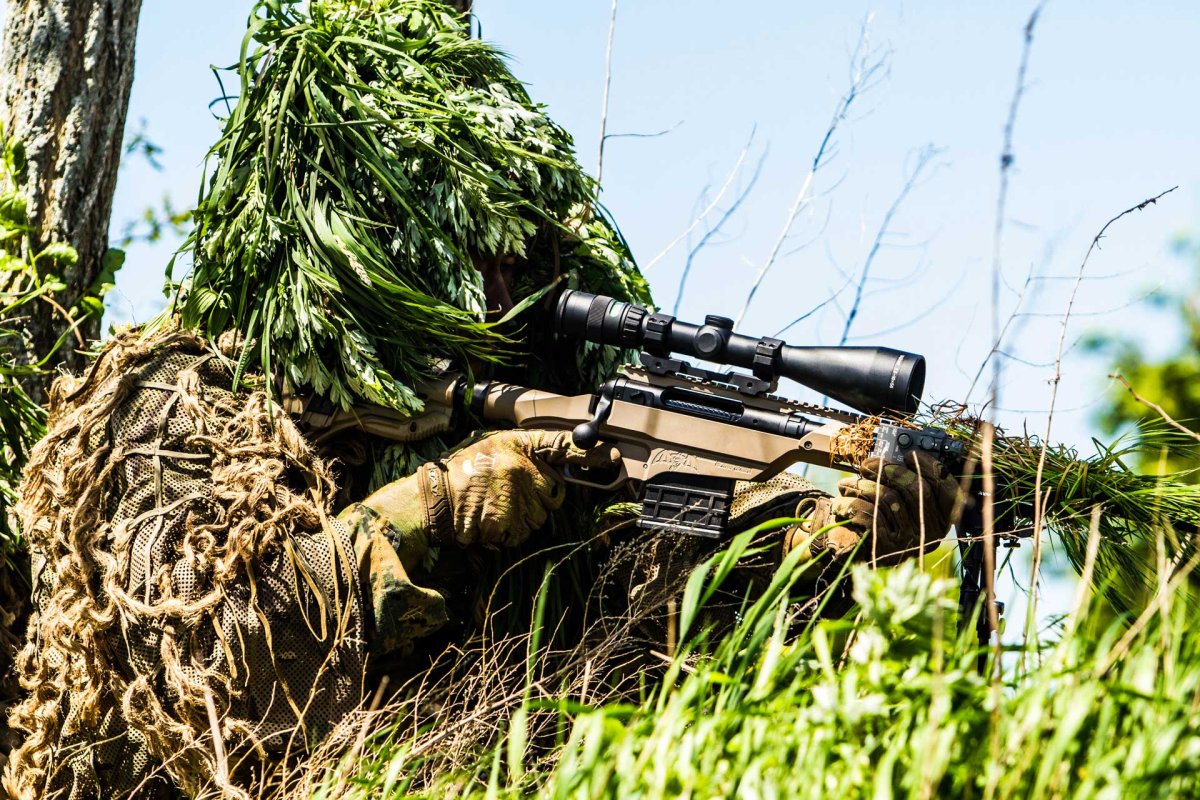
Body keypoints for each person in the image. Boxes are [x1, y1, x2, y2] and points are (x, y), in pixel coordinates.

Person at [2, 1, 959, 798]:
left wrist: (823, 541)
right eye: (458, 254)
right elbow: (214, 666)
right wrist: (439, 508)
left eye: (514, 261)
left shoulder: (565, 412)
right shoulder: (178, 394)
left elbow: (652, 649)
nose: (492, 293)